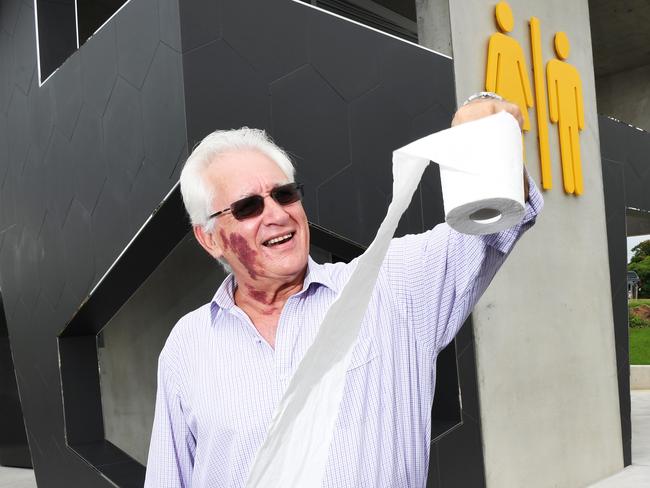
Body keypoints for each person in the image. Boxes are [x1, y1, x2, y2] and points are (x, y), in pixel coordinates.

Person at [144, 96, 543, 487]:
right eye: (248, 206)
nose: (277, 214)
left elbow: (499, 224)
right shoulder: (187, 345)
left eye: (284, 194)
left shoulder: (391, 287)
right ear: (209, 238)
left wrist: (484, 120)